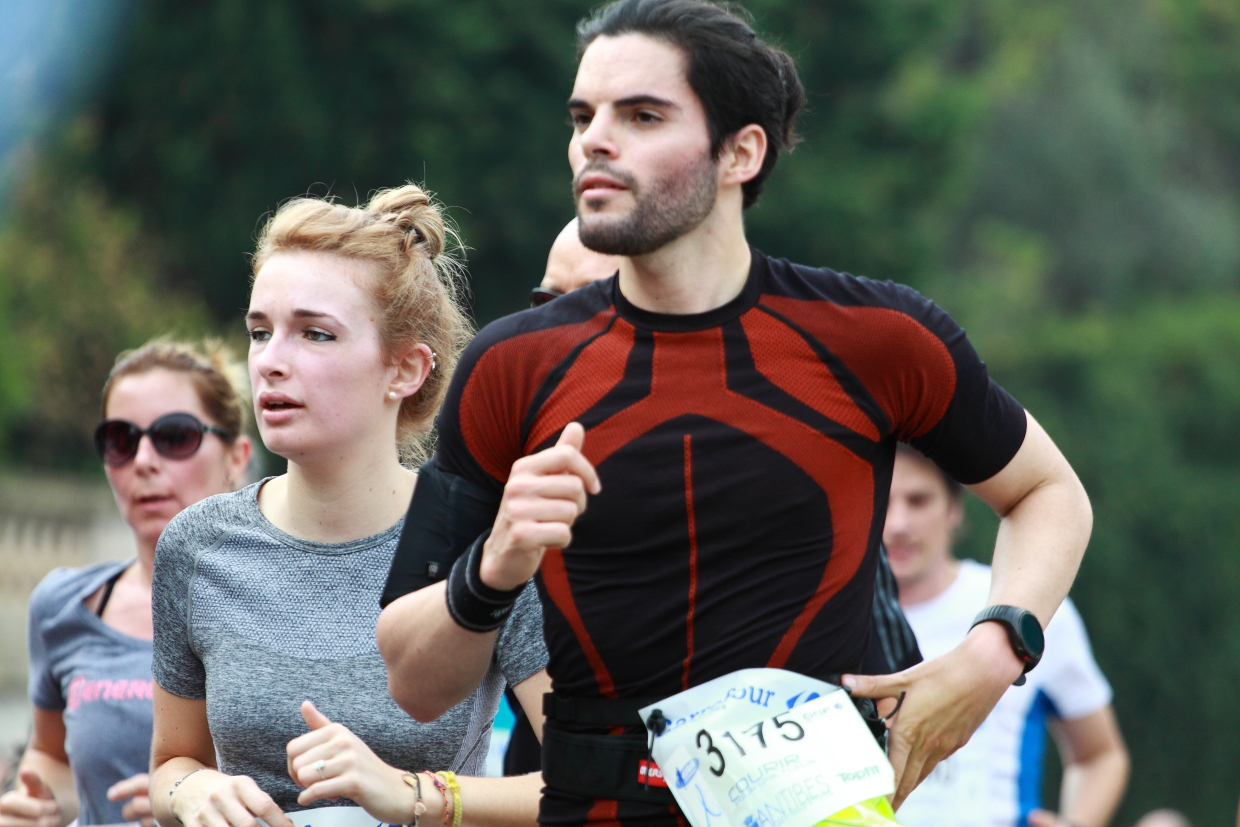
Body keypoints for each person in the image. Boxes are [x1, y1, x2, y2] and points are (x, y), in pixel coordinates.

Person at [376, 3, 1093, 826]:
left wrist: (993, 653)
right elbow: (411, 682)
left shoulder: (876, 337)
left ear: (741, 152)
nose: (594, 142)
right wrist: (494, 562)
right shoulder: (512, 365)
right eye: (583, 117)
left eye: (642, 115)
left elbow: (1049, 493)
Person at [147, 185, 551, 827]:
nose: (271, 363)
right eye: (259, 332)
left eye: (315, 334)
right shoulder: (196, 545)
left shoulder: (486, 543)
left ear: (406, 370)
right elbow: (172, 762)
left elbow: (585, 782)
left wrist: (416, 795)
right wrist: (190, 793)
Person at [0, 339, 253, 827]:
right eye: (121, 439)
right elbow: (52, 757)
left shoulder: (285, 605)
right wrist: (42, 805)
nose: (143, 460)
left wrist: (184, 792)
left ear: (236, 457)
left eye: (174, 436)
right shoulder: (65, 606)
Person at [886, 444, 1128, 827]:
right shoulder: (821, 621)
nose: (898, 523)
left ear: (954, 508)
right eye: (882, 501)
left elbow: (1100, 754)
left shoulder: (1026, 606)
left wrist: (1077, 822)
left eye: (918, 501)